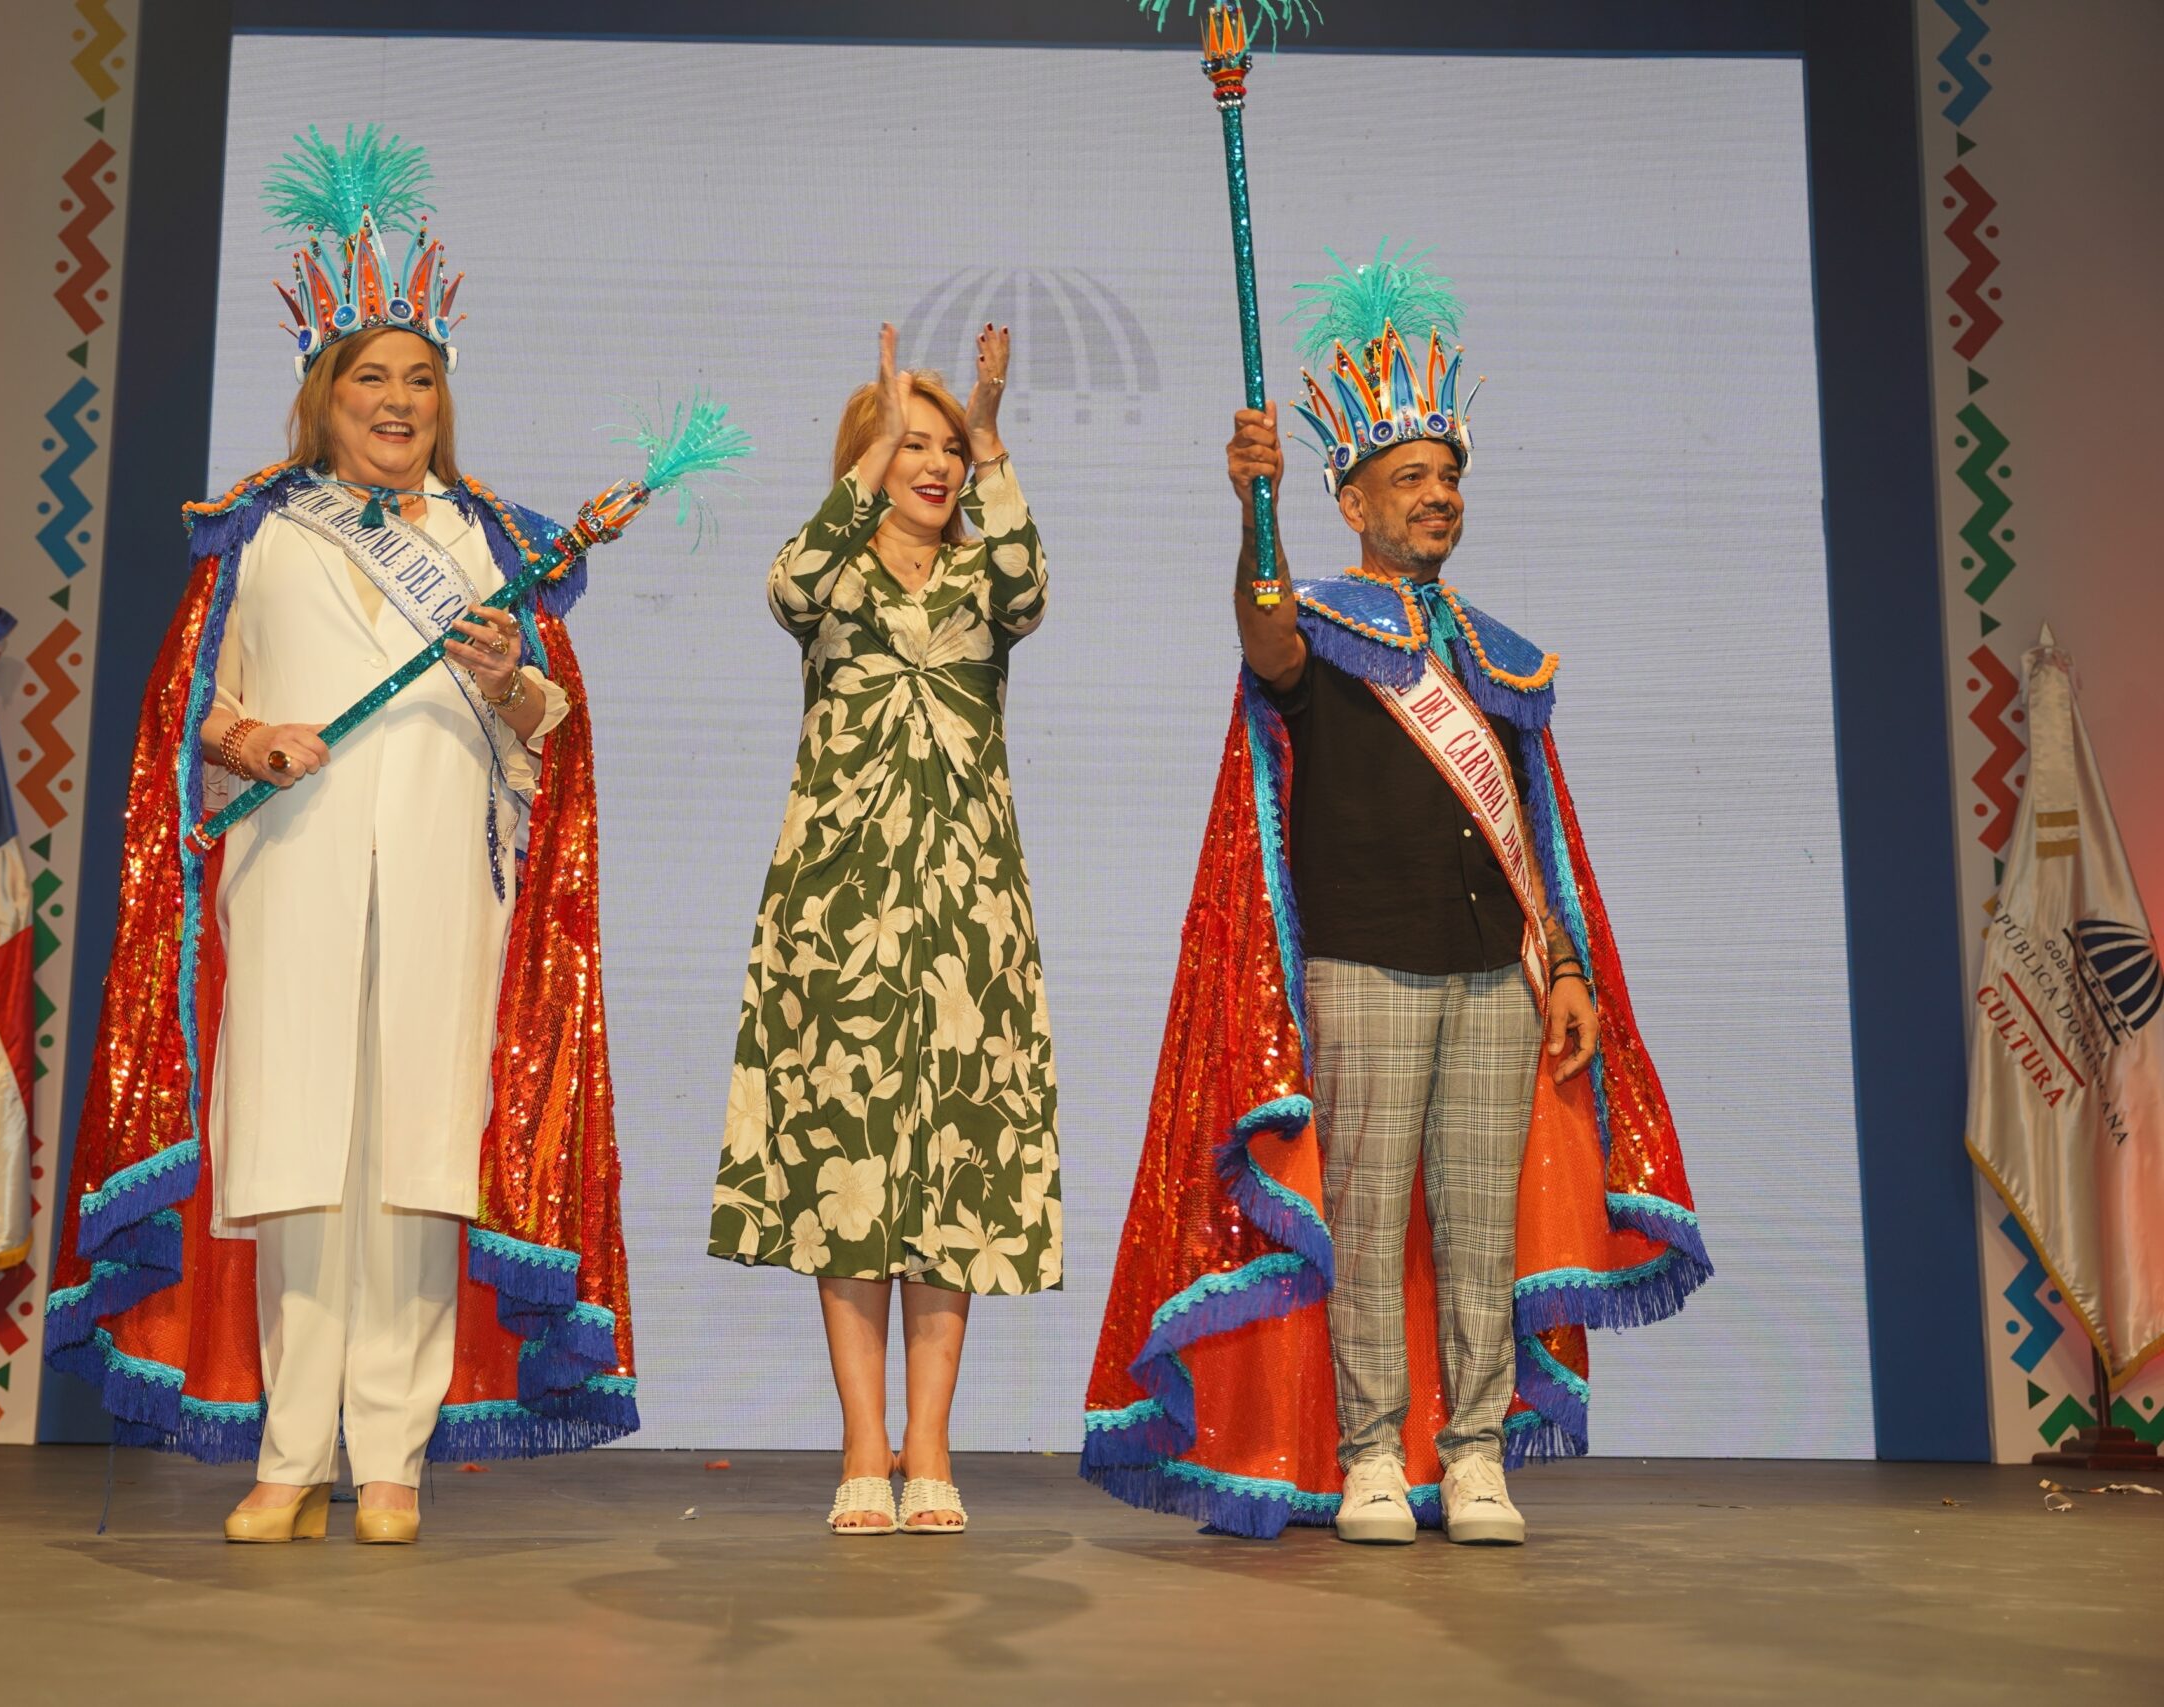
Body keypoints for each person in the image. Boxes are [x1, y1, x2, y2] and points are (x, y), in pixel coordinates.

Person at [44, 127, 639, 1545]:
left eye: (419, 379)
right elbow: (190, 709)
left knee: (420, 1165)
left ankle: (394, 1456)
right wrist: (248, 739)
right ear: (324, 393)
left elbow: (549, 732)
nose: (397, 401)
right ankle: (290, 1450)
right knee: (299, 1160)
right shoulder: (260, 533)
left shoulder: (492, 541)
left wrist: (512, 677)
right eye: (371, 377)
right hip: (292, 876)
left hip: (441, 883)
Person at [1080, 246, 1710, 1544]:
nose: (1437, 497)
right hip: (1360, 963)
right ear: (1352, 500)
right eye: (1410, 479)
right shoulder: (1315, 629)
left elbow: (1541, 837)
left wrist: (1568, 970)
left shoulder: (1496, 659)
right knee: (1364, 1220)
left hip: (1492, 975)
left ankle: (1473, 1452)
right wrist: (1252, 511)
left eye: (1447, 478)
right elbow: (1261, 631)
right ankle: (1370, 1451)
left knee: (1478, 1222)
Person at [709, 323, 1061, 1535]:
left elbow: (1027, 587)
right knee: (848, 1164)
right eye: (914, 446)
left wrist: (989, 430)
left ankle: (931, 1444)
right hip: (838, 902)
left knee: (952, 1164)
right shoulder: (832, 574)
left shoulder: (981, 580)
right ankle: (864, 1442)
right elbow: (788, 588)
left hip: (968, 904)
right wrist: (868, 453)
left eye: (948, 450)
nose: (937, 465)